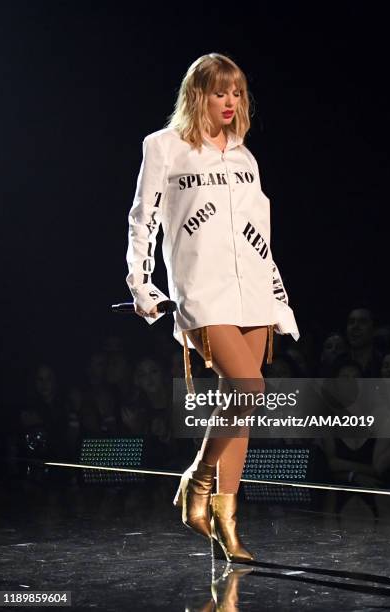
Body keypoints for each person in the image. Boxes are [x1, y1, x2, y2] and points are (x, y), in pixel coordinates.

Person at [125, 53, 299, 562]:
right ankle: (196, 482)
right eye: (220, 92)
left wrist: (278, 295)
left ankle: (225, 520)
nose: (230, 102)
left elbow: (260, 236)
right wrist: (142, 283)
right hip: (201, 289)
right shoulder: (164, 147)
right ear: (197, 94)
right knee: (249, 387)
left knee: (239, 404)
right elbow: (143, 218)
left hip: (251, 290)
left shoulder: (245, 156)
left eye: (238, 93)